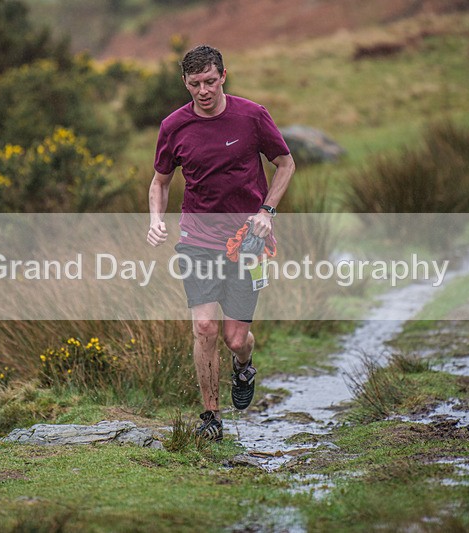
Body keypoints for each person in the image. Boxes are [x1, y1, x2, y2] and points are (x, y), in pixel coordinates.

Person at [146, 44, 295, 441]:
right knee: (204, 327)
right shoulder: (173, 127)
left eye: (210, 81)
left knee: (235, 338)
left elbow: (285, 164)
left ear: (223, 76)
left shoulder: (252, 115)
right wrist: (156, 220)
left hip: (248, 241)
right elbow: (160, 182)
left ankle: (243, 366)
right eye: (195, 84)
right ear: (185, 82)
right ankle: (211, 417)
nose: (204, 91)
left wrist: (267, 211)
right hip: (197, 238)